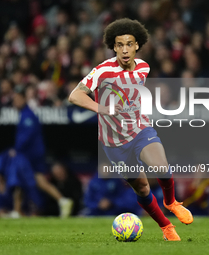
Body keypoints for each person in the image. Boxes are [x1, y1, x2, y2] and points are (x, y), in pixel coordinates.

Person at [69, 18, 193, 241]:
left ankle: (171, 202)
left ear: (137, 45)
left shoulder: (144, 67)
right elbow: (75, 95)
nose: (125, 50)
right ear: (113, 47)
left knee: (162, 166)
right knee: (143, 189)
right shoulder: (103, 71)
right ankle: (166, 227)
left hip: (140, 129)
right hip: (114, 142)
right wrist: (102, 108)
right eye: (119, 45)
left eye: (129, 44)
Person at [11, 86, 73, 218]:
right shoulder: (25, 114)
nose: (14, 102)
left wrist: (16, 149)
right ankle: (62, 201)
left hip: (31, 155)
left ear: (23, 99)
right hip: (31, 155)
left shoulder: (28, 115)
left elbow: (26, 137)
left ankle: (62, 200)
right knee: (31, 181)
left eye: (16, 99)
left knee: (28, 180)